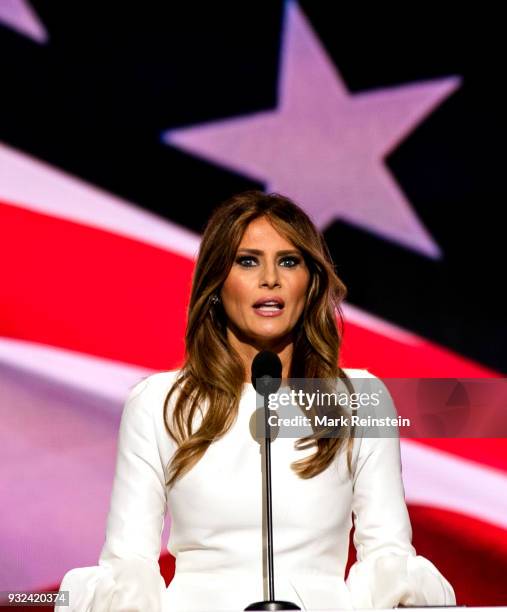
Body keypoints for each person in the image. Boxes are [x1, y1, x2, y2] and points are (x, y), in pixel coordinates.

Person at [56, 190, 456, 611]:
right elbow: (129, 562)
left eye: (289, 261)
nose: (271, 278)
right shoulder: (158, 403)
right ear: (216, 284)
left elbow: (387, 555)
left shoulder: (359, 399)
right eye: (248, 261)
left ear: (311, 283)